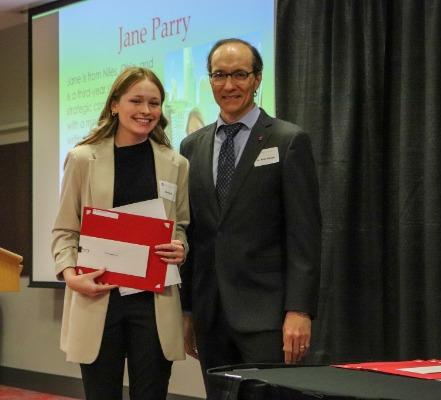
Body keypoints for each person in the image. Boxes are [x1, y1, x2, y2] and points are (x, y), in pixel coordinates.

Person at [179, 38, 321, 391]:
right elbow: (193, 234)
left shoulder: (288, 140)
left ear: (257, 79)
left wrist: (299, 310)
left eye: (240, 74)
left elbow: (304, 235)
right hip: (210, 315)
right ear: (209, 80)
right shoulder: (191, 146)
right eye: (220, 75)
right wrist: (186, 312)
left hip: (268, 317)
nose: (229, 85)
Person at [52, 67, 189, 400]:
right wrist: (71, 276)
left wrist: (180, 247)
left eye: (154, 103)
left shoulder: (175, 163)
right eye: (136, 100)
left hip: (154, 303)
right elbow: (64, 230)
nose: (146, 111)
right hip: (99, 295)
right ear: (115, 104)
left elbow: (181, 225)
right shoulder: (83, 158)